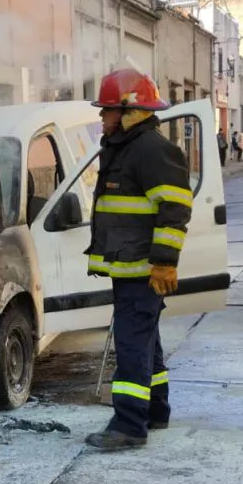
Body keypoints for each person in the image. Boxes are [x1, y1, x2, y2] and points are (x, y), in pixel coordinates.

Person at [84, 68, 193, 453]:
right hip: (131, 268)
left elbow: (175, 208)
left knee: (131, 345)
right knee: (147, 342)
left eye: (107, 110)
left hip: (142, 269)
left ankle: (128, 425)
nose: (102, 117)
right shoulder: (126, 147)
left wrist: (165, 262)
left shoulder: (149, 149)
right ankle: (156, 410)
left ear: (129, 110)